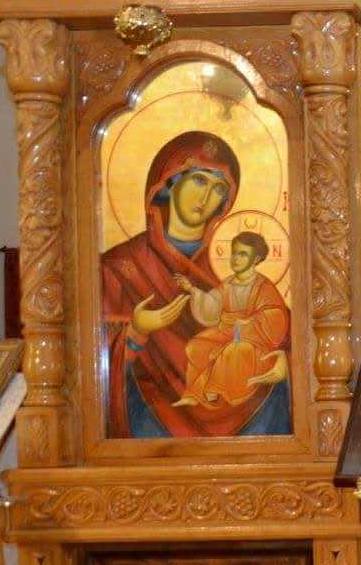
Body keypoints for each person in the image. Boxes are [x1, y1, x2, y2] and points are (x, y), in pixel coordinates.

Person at [100, 131, 292, 438]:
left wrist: (287, 362)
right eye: (199, 180)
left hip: (248, 404)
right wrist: (136, 331)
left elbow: (282, 328)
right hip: (156, 418)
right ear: (169, 182)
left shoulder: (232, 265)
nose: (205, 198)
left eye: (219, 188)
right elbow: (92, 364)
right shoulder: (120, 266)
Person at [172, 231, 290, 410]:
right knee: (196, 346)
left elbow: (275, 315)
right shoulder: (228, 283)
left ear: (256, 259)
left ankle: (210, 390)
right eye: (234, 252)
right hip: (226, 332)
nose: (235, 258)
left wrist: (251, 321)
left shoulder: (263, 286)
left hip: (254, 339)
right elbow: (212, 306)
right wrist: (192, 290)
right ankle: (195, 395)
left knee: (233, 349)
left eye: (243, 254)